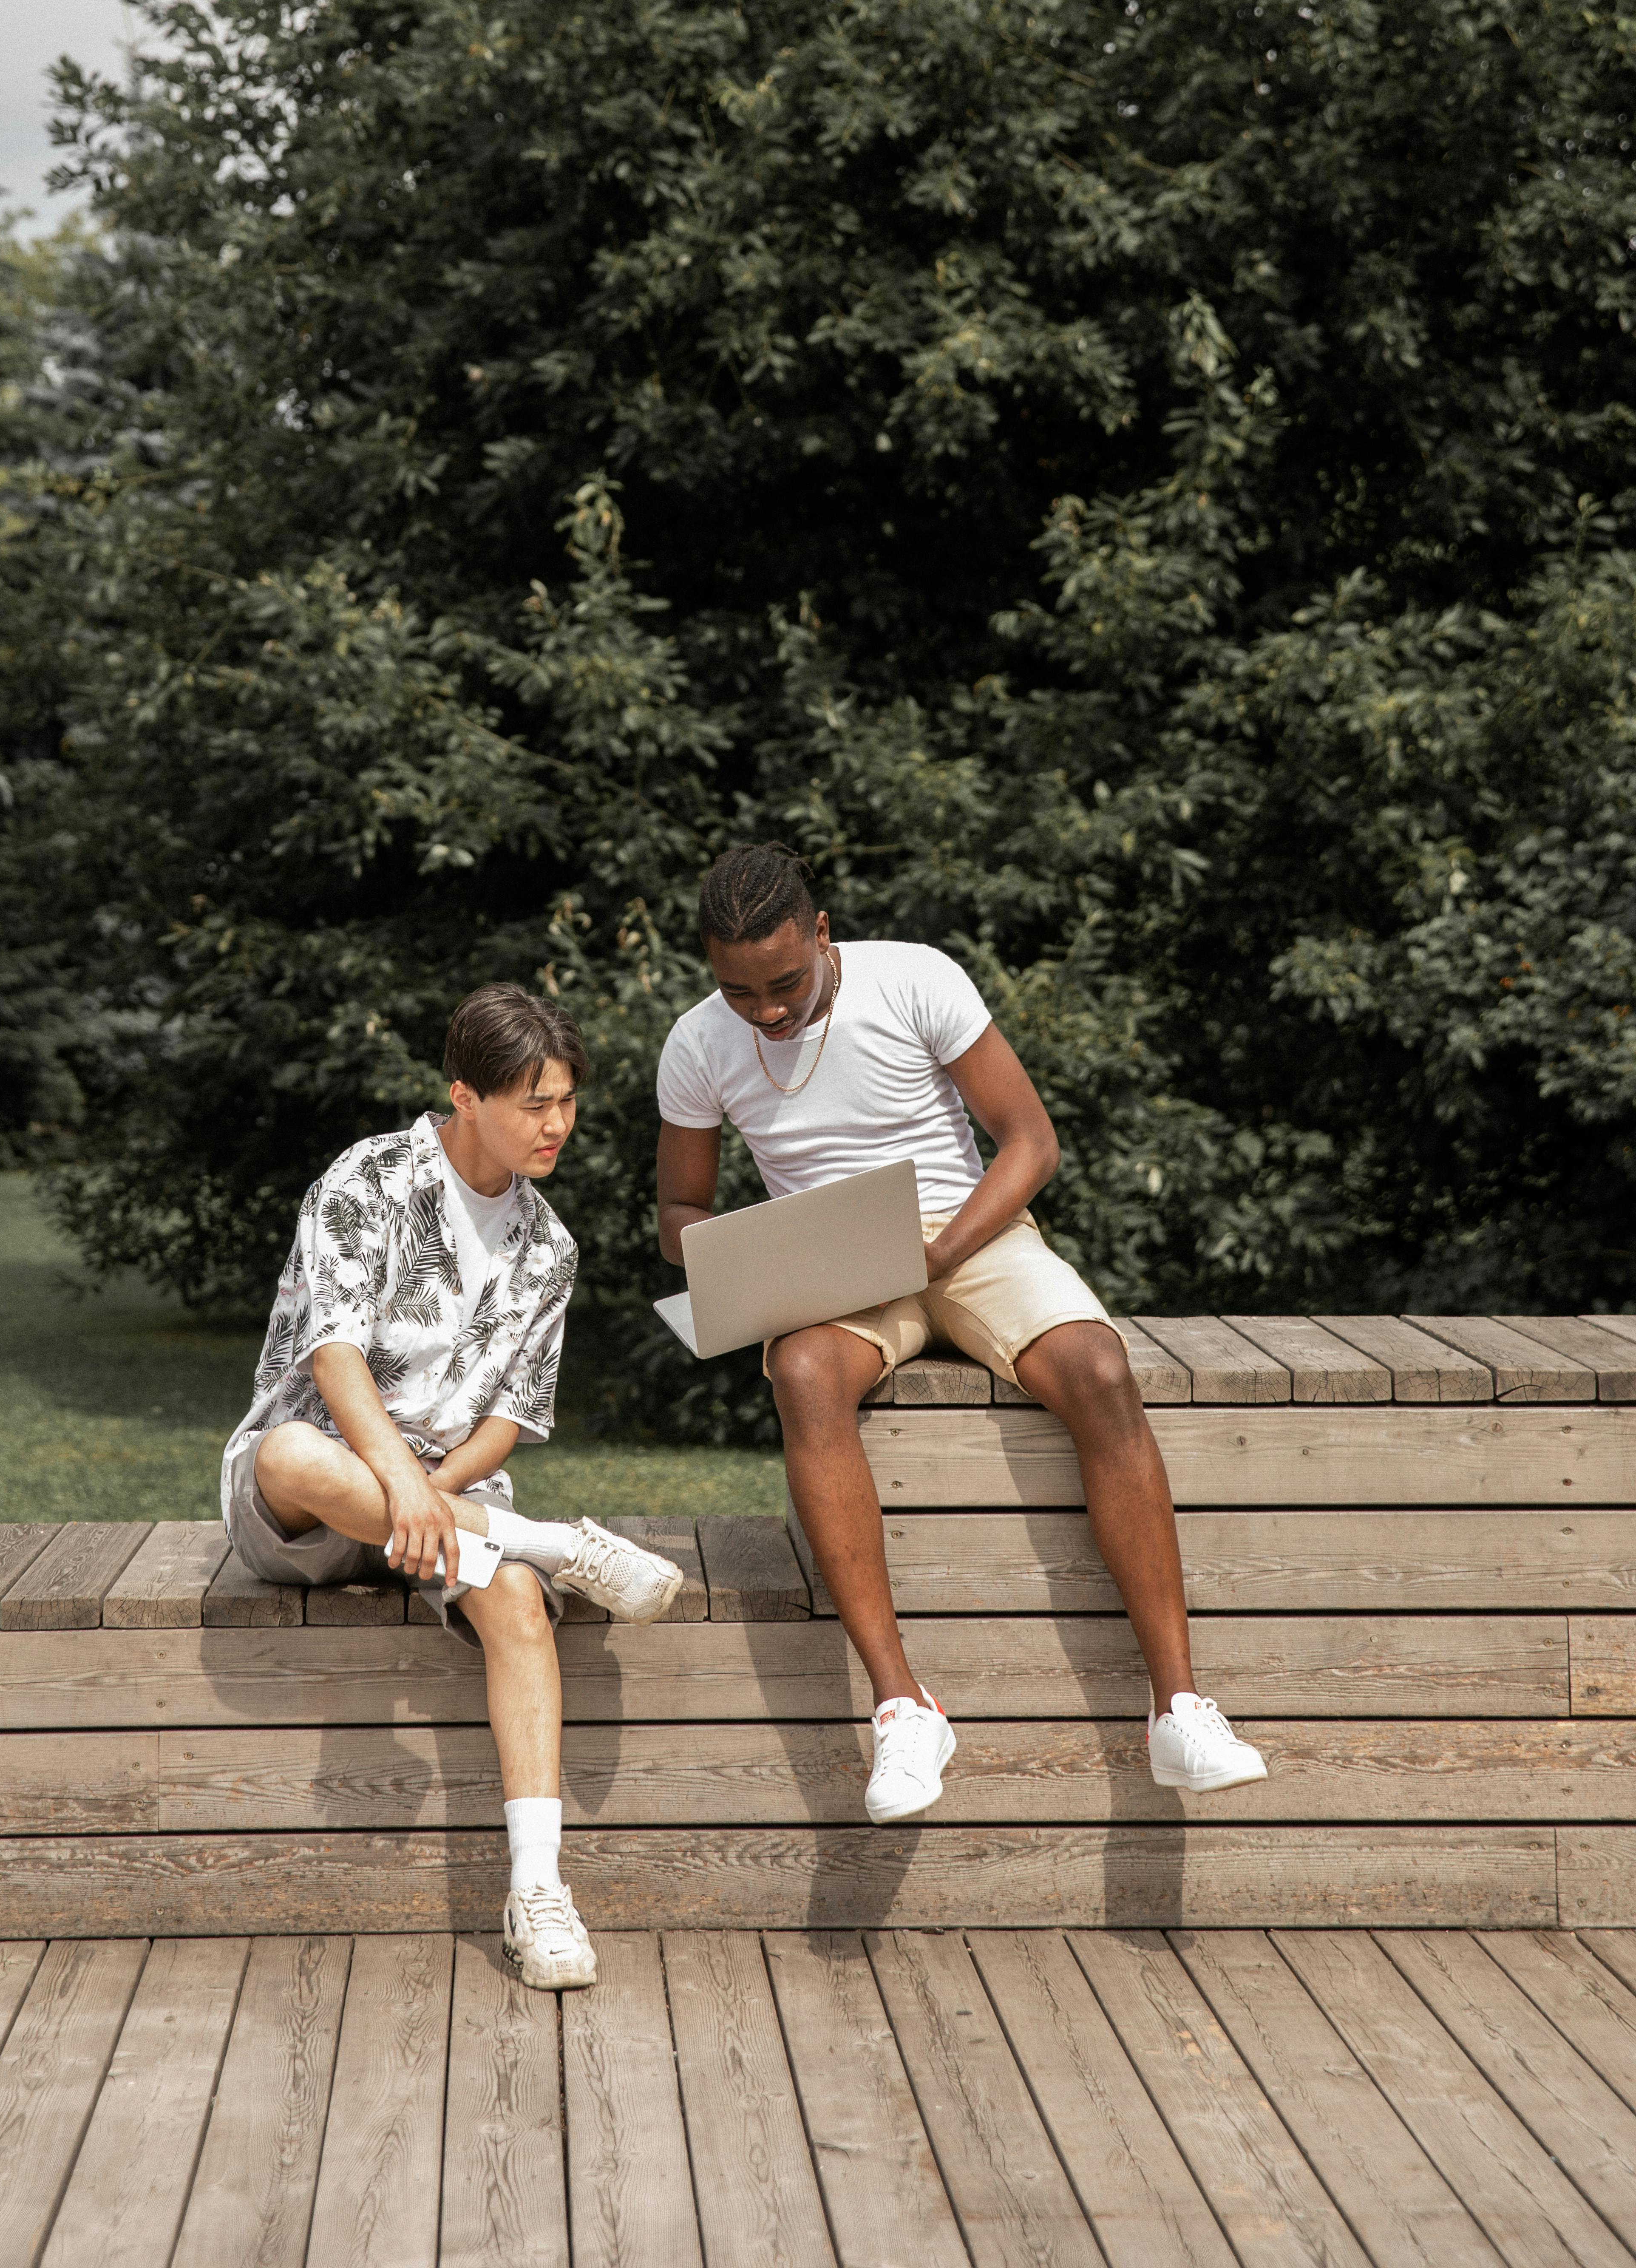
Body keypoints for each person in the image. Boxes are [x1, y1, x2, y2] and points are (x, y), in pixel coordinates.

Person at [655, 843, 1267, 1826]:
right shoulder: (695, 1046)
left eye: (784, 983)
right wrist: (741, 1254)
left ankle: (1178, 1710)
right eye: (738, 991)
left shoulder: (915, 977)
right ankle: (904, 1709)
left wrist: (939, 1255)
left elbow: (1030, 1142)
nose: (766, 1011)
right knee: (804, 1374)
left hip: (966, 1236)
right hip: (833, 1267)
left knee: (1099, 1369)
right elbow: (677, 1212)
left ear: (821, 934)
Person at [223, 981, 685, 1991]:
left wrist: (436, 1495)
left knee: (515, 1604)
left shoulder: (549, 1247)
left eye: (566, 1101)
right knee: (287, 1457)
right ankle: (559, 1543)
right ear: (463, 1096)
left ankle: (536, 1892)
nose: (556, 1124)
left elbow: (512, 1416)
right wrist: (403, 1482)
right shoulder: (369, 1180)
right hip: (324, 1489)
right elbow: (334, 1355)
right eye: (533, 1103)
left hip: (449, 1499)